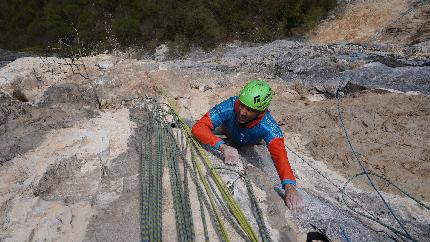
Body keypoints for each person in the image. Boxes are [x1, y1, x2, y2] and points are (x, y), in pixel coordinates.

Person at [191, 79, 304, 212]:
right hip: (227, 130)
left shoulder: (269, 127)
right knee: (193, 125)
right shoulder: (230, 105)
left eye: (250, 109)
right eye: (242, 105)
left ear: (261, 112)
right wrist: (222, 146)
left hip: (251, 140)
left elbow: (280, 157)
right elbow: (198, 127)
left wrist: (290, 187)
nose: (242, 112)